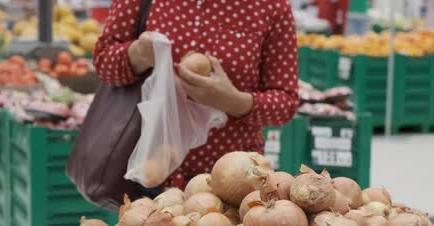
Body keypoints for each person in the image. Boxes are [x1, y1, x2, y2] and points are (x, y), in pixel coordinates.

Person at [94, 0, 299, 189]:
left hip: (230, 182)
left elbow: (286, 103)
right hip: (142, 170)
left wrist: (232, 100)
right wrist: (137, 54)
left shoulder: (270, 6)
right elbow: (103, 62)